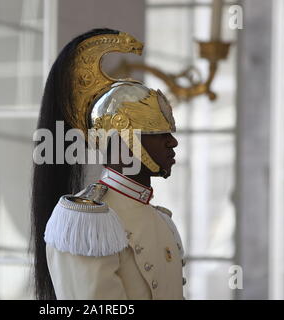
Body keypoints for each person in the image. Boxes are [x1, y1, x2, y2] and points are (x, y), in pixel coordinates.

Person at [31, 28, 185, 300]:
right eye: (157, 133)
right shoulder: (84, 220)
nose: (172, 143)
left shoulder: (161, 220)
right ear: (124, 139)